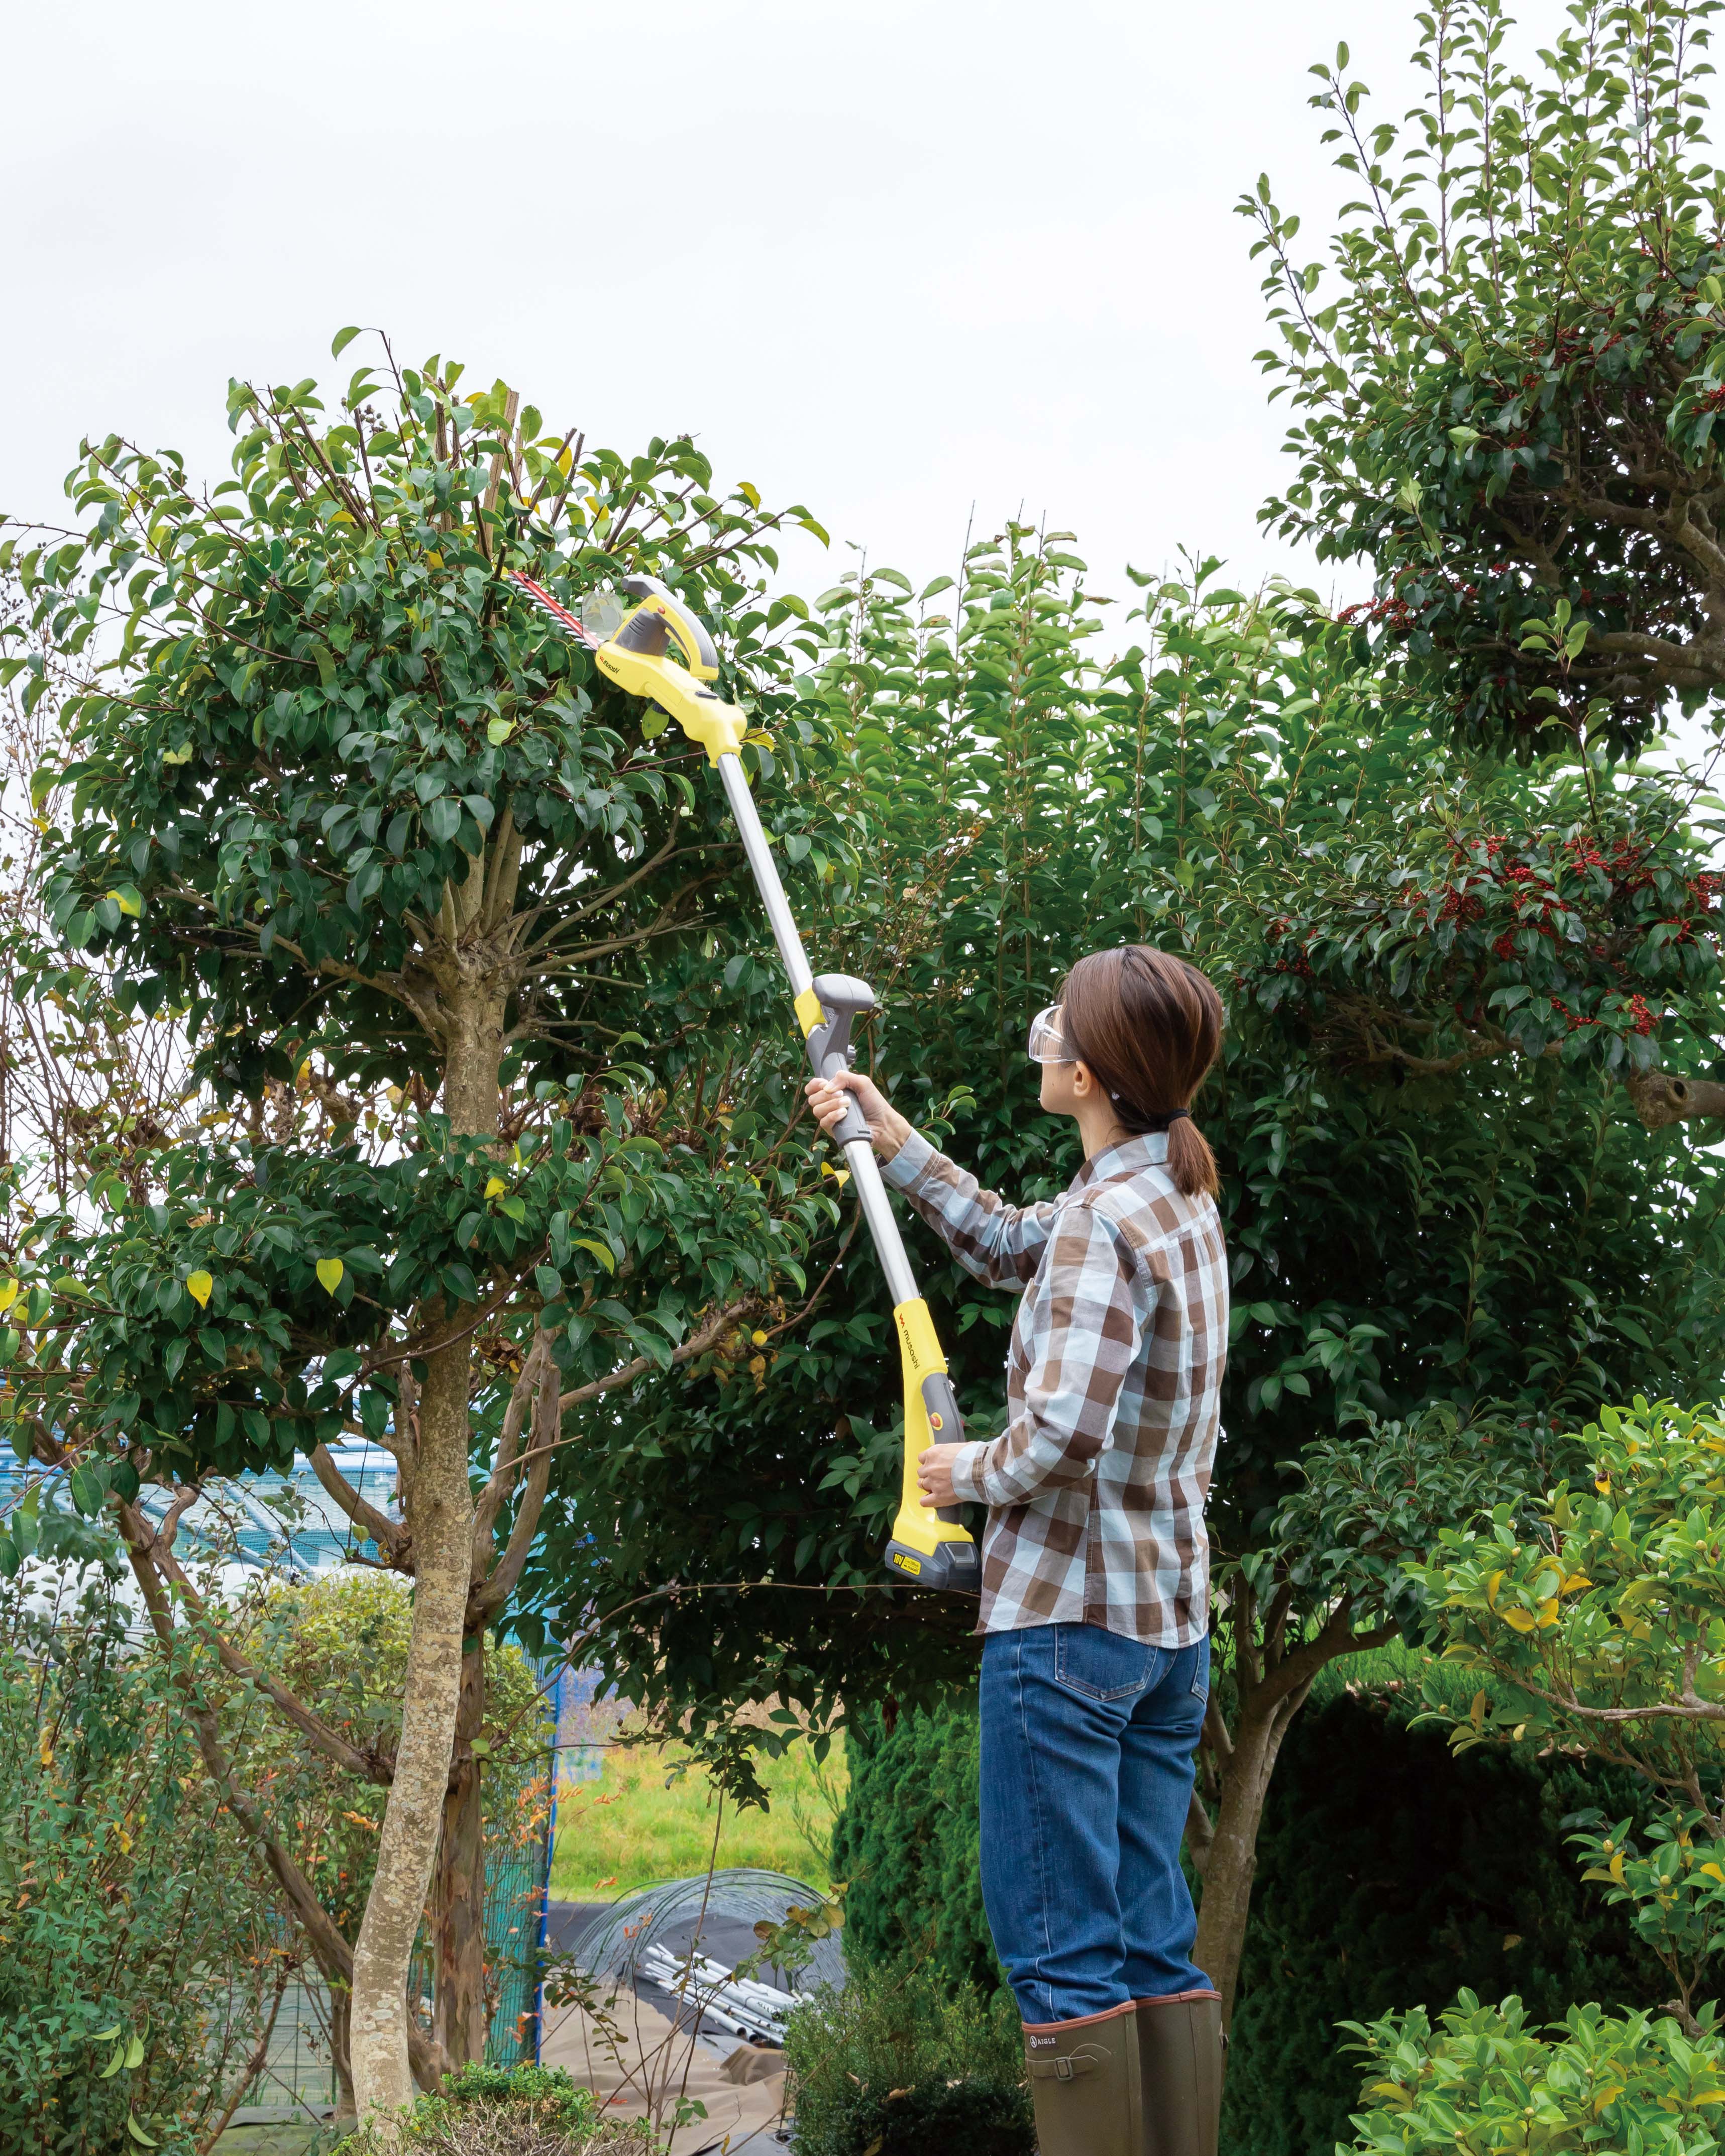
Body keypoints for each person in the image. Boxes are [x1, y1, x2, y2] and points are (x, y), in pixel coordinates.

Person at [805, 944, 1229, 2156]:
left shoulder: (1108, 1222)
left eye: (1056, 1025)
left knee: (1057, 1949)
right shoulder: (1173, 1193)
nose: (1040, 1033)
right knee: (1150, 1937)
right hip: (1165, 1632)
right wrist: (891, 1137)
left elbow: (1059, 1438)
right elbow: (1006, 1241)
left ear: (1087, 1071)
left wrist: (960, 1473)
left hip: (1067, 1629)